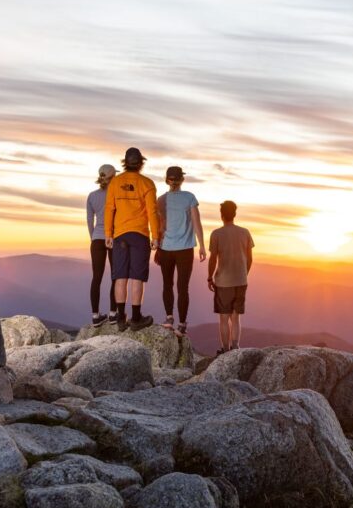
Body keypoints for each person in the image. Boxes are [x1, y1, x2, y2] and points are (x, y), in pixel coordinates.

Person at [104, 147, 160, 331]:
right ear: (141, 163)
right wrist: (156, 236)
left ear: (125, 163)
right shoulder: (147, 184)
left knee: (120, 276)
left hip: (119, 235)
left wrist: (108, 234)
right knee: (137, 277)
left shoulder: (115, 183)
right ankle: (136, 318)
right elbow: (152, 211)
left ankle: (121, 318)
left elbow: (109, 209)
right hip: (140, 235)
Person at [156, 166, 206, 337]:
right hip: (184, 249)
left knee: (167, 284)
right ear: (182, 180)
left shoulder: (161, 200)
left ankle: (169, 318)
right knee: (183, 287)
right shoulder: (189, 198)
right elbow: (197, 223)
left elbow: (159, 225)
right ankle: (182, 324)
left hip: (166, 248)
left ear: (167, 180)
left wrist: (156, 243)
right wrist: (202, 246)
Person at [207, 200, 254, 353]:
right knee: (236, 317)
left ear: (222, 215)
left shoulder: (216, 234)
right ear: (234, 214)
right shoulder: (245, 232)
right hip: (241, 280)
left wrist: (209, 277)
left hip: (223, 282)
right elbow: (250, 258)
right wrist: (243, 274)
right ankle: (235, 347)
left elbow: (213, 258)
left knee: (223, 318)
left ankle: (225, 350)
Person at [86, 164, 118, 327]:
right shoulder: (116, 195)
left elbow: (90, 221)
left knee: (96, 277)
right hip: (113, 237)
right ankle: (113, 314)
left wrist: (94, 238)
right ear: (113, 177)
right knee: (115, 276)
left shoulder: (92, 196)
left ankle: (95, 315)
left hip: (97, 239)